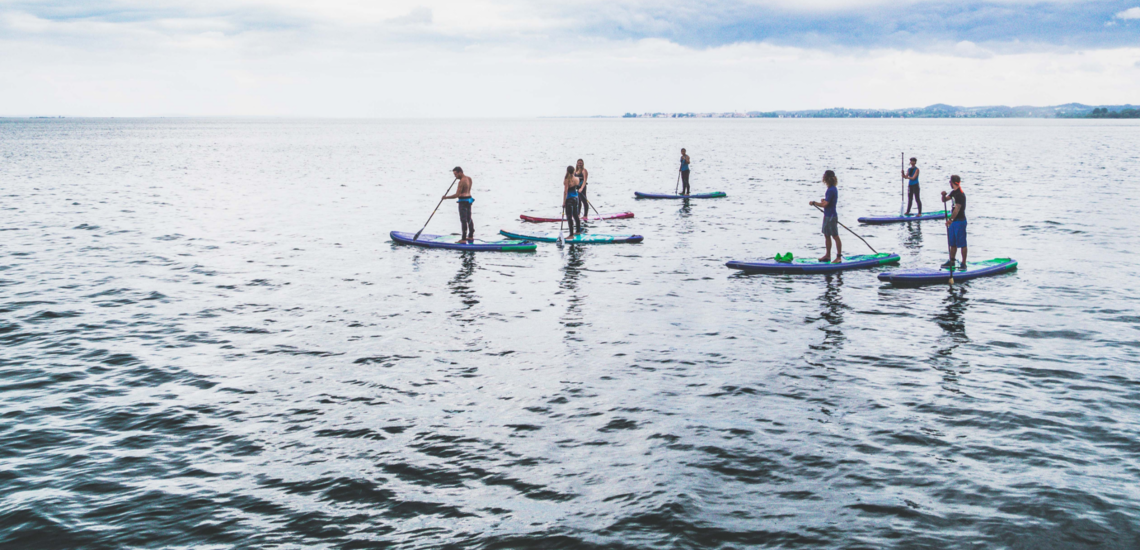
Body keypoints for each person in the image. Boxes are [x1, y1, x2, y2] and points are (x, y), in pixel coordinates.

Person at [809, 170, 842, 263]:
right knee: (827, 235)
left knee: (835, 236)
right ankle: (827, 255)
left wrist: (814, 203)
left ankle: (839, 257)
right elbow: (827, 202)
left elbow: (825, 205)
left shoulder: (831, 189)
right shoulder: (831, 189)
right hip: (827, 215)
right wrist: (824, 201)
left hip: (831, 216)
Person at [941, 175, 967, 269]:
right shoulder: (954, 192)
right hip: (954, 222)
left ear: (952, 182)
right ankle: (952, 261)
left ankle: (963, 263)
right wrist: (943, 195)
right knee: (953, 243)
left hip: (960, 221)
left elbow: (957, 209)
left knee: (962, 244)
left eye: (950, 182)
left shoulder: (960, 194)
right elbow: (944, 200)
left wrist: (950, 220)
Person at [442, 167, 474, 243]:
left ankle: (463, 239)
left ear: (460, 172)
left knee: (463, 220)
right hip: (469, 200)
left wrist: (446, 197)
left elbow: (457, 195)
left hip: (463, 202)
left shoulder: (461, 182)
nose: (455, 176)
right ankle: (470, 236)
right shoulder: (469, 179)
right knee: (469, 218)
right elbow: (467, 191)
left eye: (455, 174)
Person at [563, 166, 582, 236]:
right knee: (575, 215)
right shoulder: (577, 179)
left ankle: (571, 234)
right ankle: (578, 231)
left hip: (569, 199)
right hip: (576, 198)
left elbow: (565, 192)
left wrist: (563, 202)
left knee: (569, 217)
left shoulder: (567, 180)